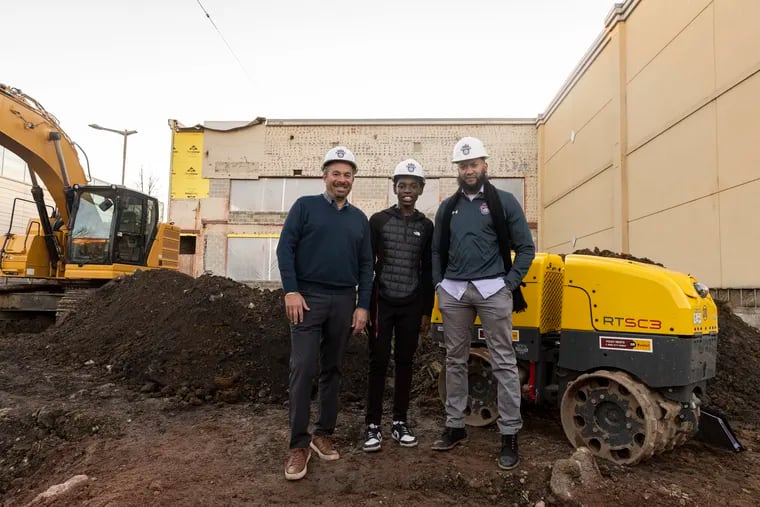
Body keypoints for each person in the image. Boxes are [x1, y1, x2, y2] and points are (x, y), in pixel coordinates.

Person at [431, 137, 535, 470]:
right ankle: (455, 426)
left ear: (485, 166)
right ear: (457, 171)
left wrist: (509, 283)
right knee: (455, 360)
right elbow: (436, 250)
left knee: (504, 362)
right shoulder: (449, 207)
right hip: (455, 293)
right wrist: (439, 284)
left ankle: (509, 434)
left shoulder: (504, 202)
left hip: (494, 291)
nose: (469, 170)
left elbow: (526, 248)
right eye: (463, 166)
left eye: (474, 164)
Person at [276, 145, 373, 481]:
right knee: (303, 368)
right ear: (325, 176)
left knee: (333, 368)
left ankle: (322, 434)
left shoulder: (359, 219)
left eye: (347, 174)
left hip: (344, 301)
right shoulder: (305, 208)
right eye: (336, 173)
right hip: (307, 299)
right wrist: (291, 289)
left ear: (353, 179)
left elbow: (365, 265)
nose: (341, 179)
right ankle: (298, 445)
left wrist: (362, 305)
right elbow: (285, 248)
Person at [362, 159, 434, 452]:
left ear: (420, 190)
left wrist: (427, 311)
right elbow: (368, 265)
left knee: (406, 363)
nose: (407, 190)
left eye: (413, 186)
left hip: (412, 303)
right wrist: (364, 305)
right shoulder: (378, 221)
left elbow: (428, 269)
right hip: (381, 303)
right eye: (402, 185)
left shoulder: (427, 226)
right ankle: (373, 425)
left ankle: (400, 422)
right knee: (378, 363)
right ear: (395, 188)